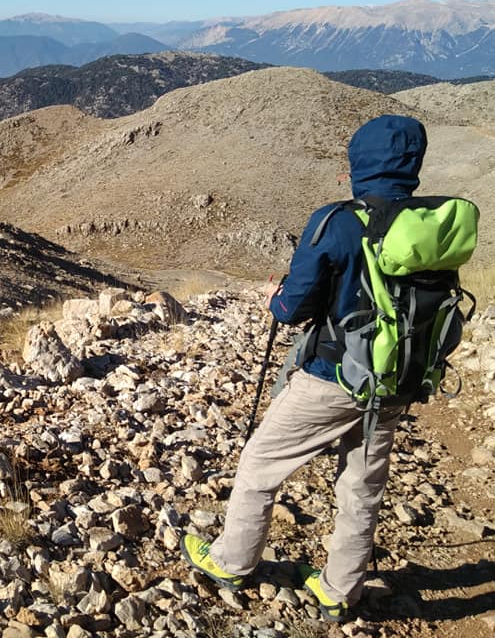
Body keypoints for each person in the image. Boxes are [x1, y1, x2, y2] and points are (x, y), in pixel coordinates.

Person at [181, 114, 430, 622]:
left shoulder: (336, 222)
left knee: (258, 466)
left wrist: (276, 302)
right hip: (395, 378)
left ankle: (232, 561)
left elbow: (293, 308)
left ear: (359, 162)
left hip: (332, 376)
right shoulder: (429, 227)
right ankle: (340, 590)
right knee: (362, 485)